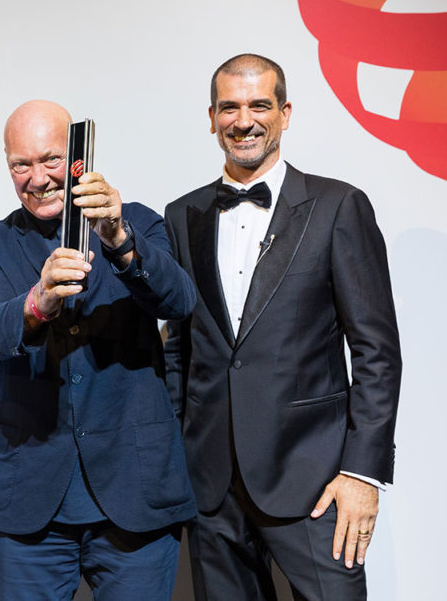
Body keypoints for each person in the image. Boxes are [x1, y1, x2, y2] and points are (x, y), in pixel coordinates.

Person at [163, 53, 402, 600]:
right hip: (211, 485)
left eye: (259, 105)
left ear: (285, 112)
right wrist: (179, 453)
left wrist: (362, 476)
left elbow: (376, 354)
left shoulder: (339, 206)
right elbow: (180, 347)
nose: (243, 121)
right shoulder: (183, 215)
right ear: (211, 116)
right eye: (230, 107)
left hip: (316, 483)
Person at [0, 100, 198, 600]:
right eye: (20, 165)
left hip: (134, 496)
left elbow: (179, 302)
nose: (38, 178)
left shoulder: (137, 222)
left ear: (78, 159)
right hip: (27, 505)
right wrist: (39, 300)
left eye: (50, 160)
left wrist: (118, 238)